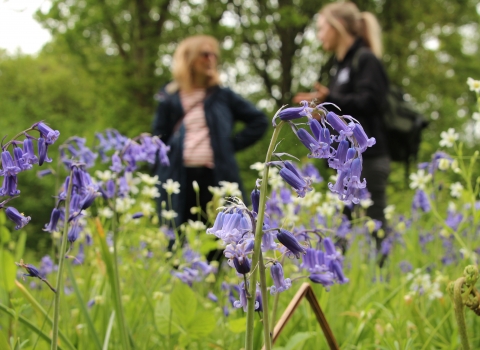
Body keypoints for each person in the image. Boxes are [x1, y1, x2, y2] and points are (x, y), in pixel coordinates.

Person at [294, 2, 390, 248]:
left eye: (321, 27)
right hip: (350, 159)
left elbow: (372, 101)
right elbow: (345, 109)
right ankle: (339, 275)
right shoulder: (342, 66)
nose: (319, 35)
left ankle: (379, 274)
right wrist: (321, 114)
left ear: (337, 26)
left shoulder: (365, 59)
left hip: (369, 157)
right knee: (343, 228)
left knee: (374, 225)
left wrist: (330, 99)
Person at [153, 34, 268, 230]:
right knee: (176, 232)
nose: (211, 60)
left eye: (214, 55)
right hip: (177, 176)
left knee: (223, 235)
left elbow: (259, 120)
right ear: (188, 58)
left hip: (216, 175)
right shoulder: (170, 97)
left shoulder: (223, 95)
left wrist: (229, 145)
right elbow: (158, 138)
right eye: (205, 55)